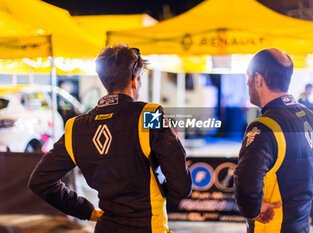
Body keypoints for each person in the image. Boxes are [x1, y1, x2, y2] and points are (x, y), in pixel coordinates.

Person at [29, 43, 192, 233]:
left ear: (104, 80)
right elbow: (181, 188)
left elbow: (40, 181)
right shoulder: (150, 114)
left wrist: (86, 211)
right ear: (135, 79)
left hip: (105, 227)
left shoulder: (76, 126)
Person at [234, 48, 313, 233]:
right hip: (301, 225)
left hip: (271, 226)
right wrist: (301, 194)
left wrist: (254, 210)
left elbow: (246, 181)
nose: (247, 83)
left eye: (248, 77)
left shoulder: (263, 127)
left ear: (258, 79)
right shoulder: (308, 116)